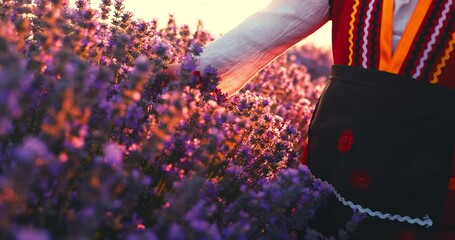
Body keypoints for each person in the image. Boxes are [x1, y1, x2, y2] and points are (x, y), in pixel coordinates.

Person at [166, 0, 455, 239]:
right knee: (320, 223)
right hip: (340, 145)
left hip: (429, 163)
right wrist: (195, 70)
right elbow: (278, 22)